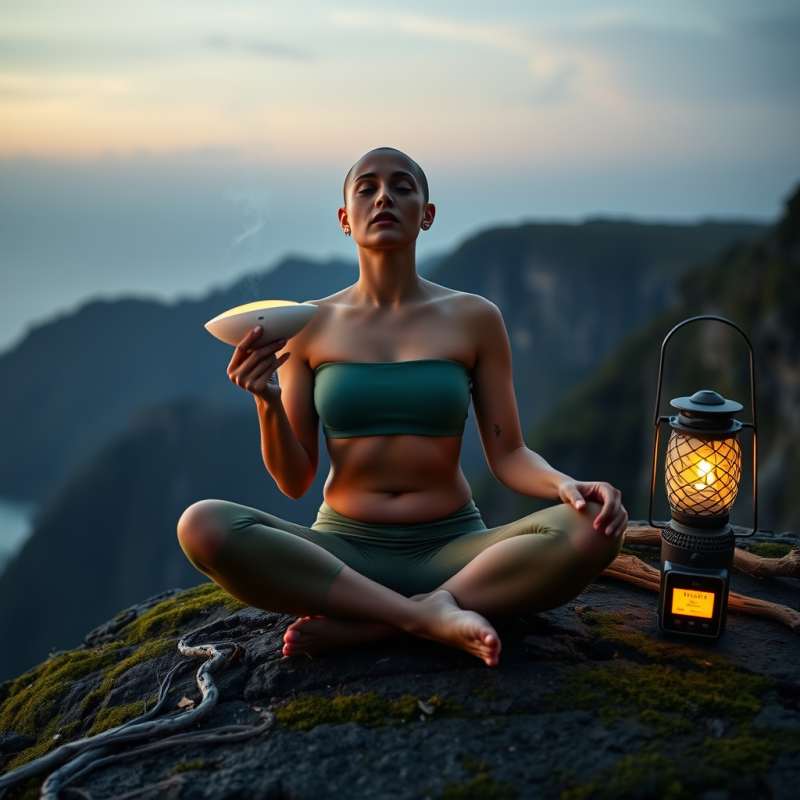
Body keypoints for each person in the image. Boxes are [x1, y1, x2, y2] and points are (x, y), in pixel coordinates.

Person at [177, 147, 627, 667]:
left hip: (454, 549)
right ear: (345, 219)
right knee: (202, 526)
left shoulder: (474, 317)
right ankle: (421, 618)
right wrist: (267, 403)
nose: (384, 195)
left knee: (596, 524)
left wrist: (563, 485)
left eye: (402, 186)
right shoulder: (305, 325)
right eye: (366, 187)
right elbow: (294, 479)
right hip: (343, 551)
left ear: (426, 214)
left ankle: (376, 624)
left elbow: (509, 454)